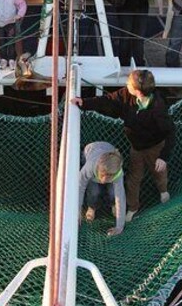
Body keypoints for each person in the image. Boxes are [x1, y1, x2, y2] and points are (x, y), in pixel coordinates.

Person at [71, 69, 174, 222]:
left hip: (155, 147)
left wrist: (163, 157)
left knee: (158, 172)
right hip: (136, 147)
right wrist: (85, 103)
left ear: (138, 91)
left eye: (129, 83)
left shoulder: (158, 107)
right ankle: (133, 208)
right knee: (134, 178)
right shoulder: (126, 94)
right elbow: (108, 100)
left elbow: (171, 132)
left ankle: (163, 191)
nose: (126, 84)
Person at [78, 142, 127, 236]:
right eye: (103, 175)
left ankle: (113, 205)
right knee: (94, 191)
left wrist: (119, 227)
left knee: (113, 193)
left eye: (109, 176)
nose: (104, 181)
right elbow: (80, 188)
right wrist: (77, 213)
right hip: (90, 150)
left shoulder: (118, 173)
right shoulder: (89, 167)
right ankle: (91, 207)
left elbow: (120, 197)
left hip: (108, 149)